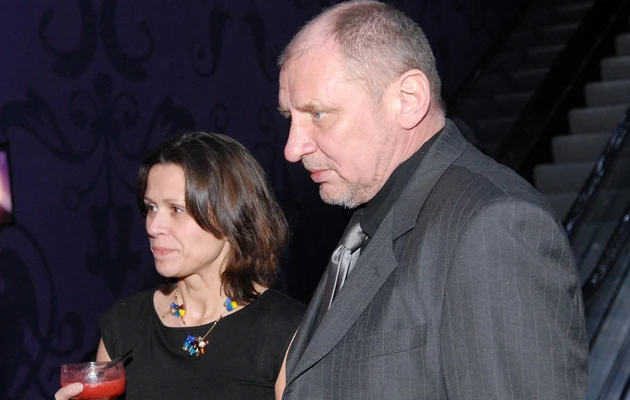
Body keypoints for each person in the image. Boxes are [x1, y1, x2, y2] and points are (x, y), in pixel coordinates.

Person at [277, 1, 588, 399]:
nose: (293, 148)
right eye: (290, 118)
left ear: (408, 99)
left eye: (318, 114)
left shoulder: (492, 225)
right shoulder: (372, 219)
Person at [55, 132, 305, 400]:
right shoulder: (125, 323)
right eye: (151, 208)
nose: (153, 227)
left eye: (176, 209)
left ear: (232, 214)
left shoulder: (286, 328)